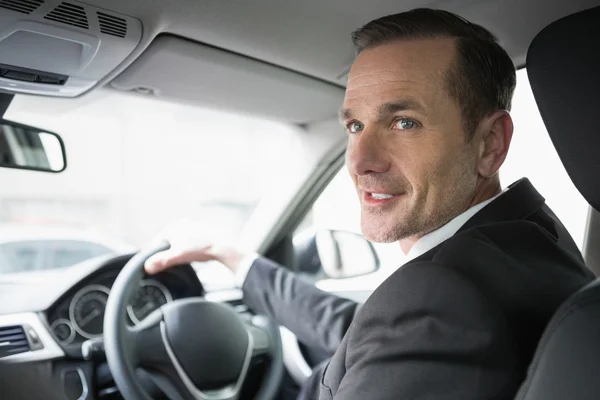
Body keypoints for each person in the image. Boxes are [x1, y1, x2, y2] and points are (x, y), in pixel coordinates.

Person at [145, 8, 595, 400]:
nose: (360, 161)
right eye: (356, 125)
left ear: (489, 144)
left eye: (403, 122)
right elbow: (372, 332)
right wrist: (235, 258)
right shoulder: (532, 237)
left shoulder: (445, 292)